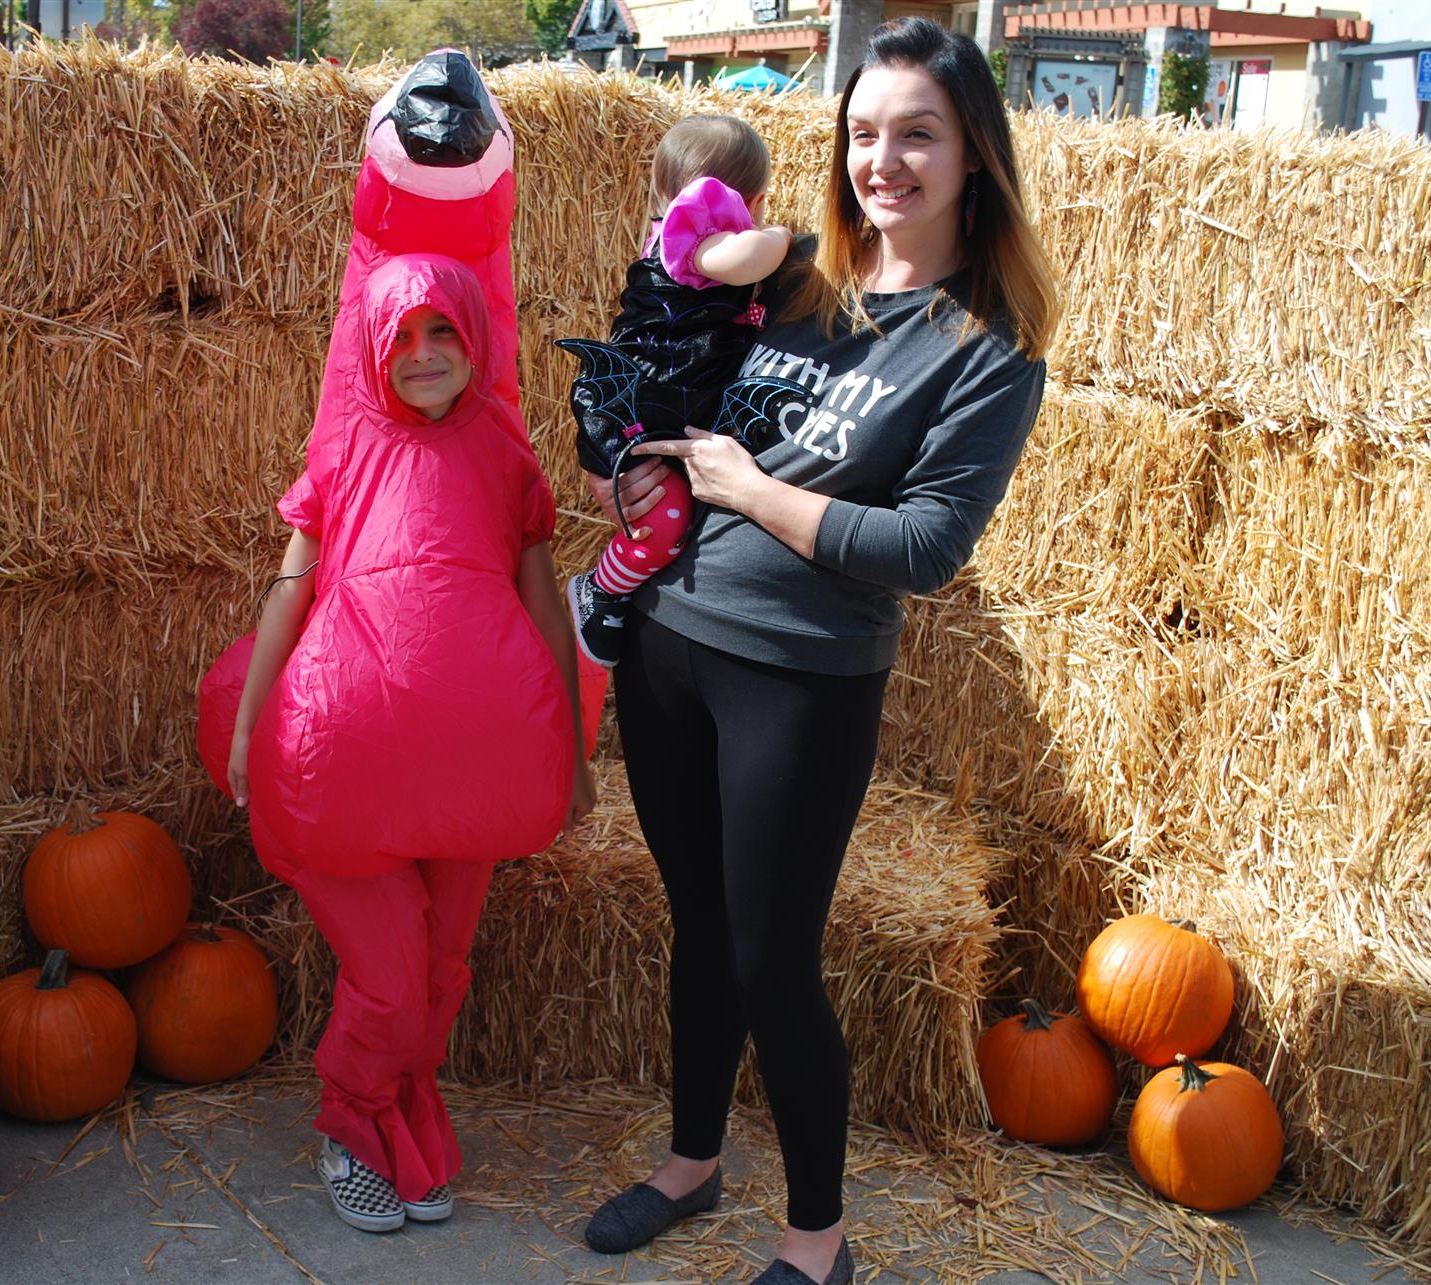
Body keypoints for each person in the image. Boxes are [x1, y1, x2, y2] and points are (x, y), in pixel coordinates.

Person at [578, 19, 1061, 1285]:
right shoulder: (801, 287)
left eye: (917, 134)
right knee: (698, 925)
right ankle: (690, 1165)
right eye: (862, 133)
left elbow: (923, 545)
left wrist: (745, 491)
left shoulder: (987, 351)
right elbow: (688, 386)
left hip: (798, 674)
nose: (882, 161)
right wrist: (647, 460)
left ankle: (818, 1241)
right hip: (670, 642)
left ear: (973, 156)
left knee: (771, 958)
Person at [227, 253, 596, 1235]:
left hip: (470, 766)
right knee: (390, 980)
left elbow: (545, 615)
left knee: (438, 971)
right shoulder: (344, 450)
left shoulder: (506, 457)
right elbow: (288, 590)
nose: (423, 353)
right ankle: (350, 1124)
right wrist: (247, 719)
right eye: (401, 336)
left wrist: (574, 749)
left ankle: (406, 1125)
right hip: (347, 764)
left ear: (476, 340)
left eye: (443, 331)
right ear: (373, 351)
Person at [561, 114, 796, 669]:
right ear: (746, 201)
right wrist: (781, 237)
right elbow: (746, 259)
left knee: (678, 517)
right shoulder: (694, 236)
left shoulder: (683, 240)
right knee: (664, 523)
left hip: (669, 404)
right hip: (646, 407)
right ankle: (603, 589)